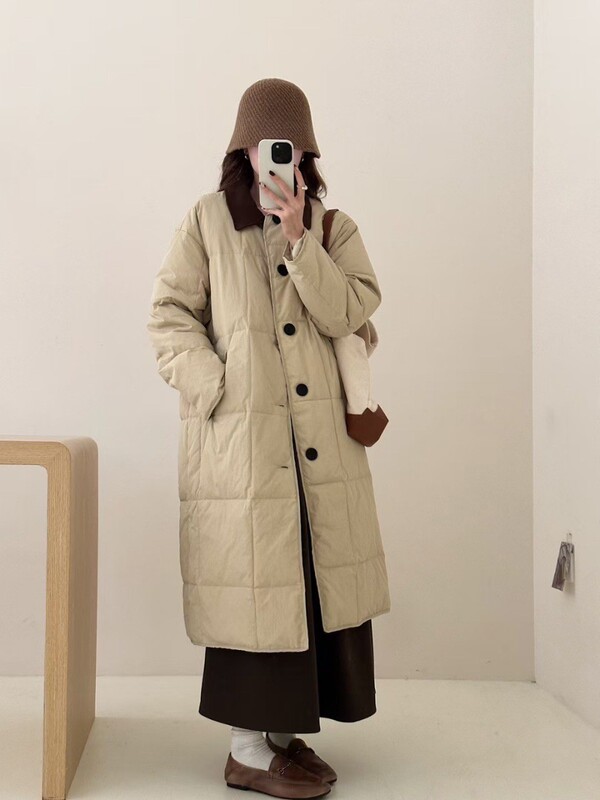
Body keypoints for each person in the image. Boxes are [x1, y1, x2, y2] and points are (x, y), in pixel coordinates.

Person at [147, 78, 391, 799]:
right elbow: (168, 315)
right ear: (244, 150)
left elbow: (350, 314)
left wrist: (299, 241)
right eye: (265, 143)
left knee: (308, 581)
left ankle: (281, 737)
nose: (278, 155)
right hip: (243, 449)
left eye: (290, 145)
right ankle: (246, 750)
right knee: (253, 583)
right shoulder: (205, 222)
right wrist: (218, 387)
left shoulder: (333, 227)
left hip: (320, 449)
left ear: (305, 152)